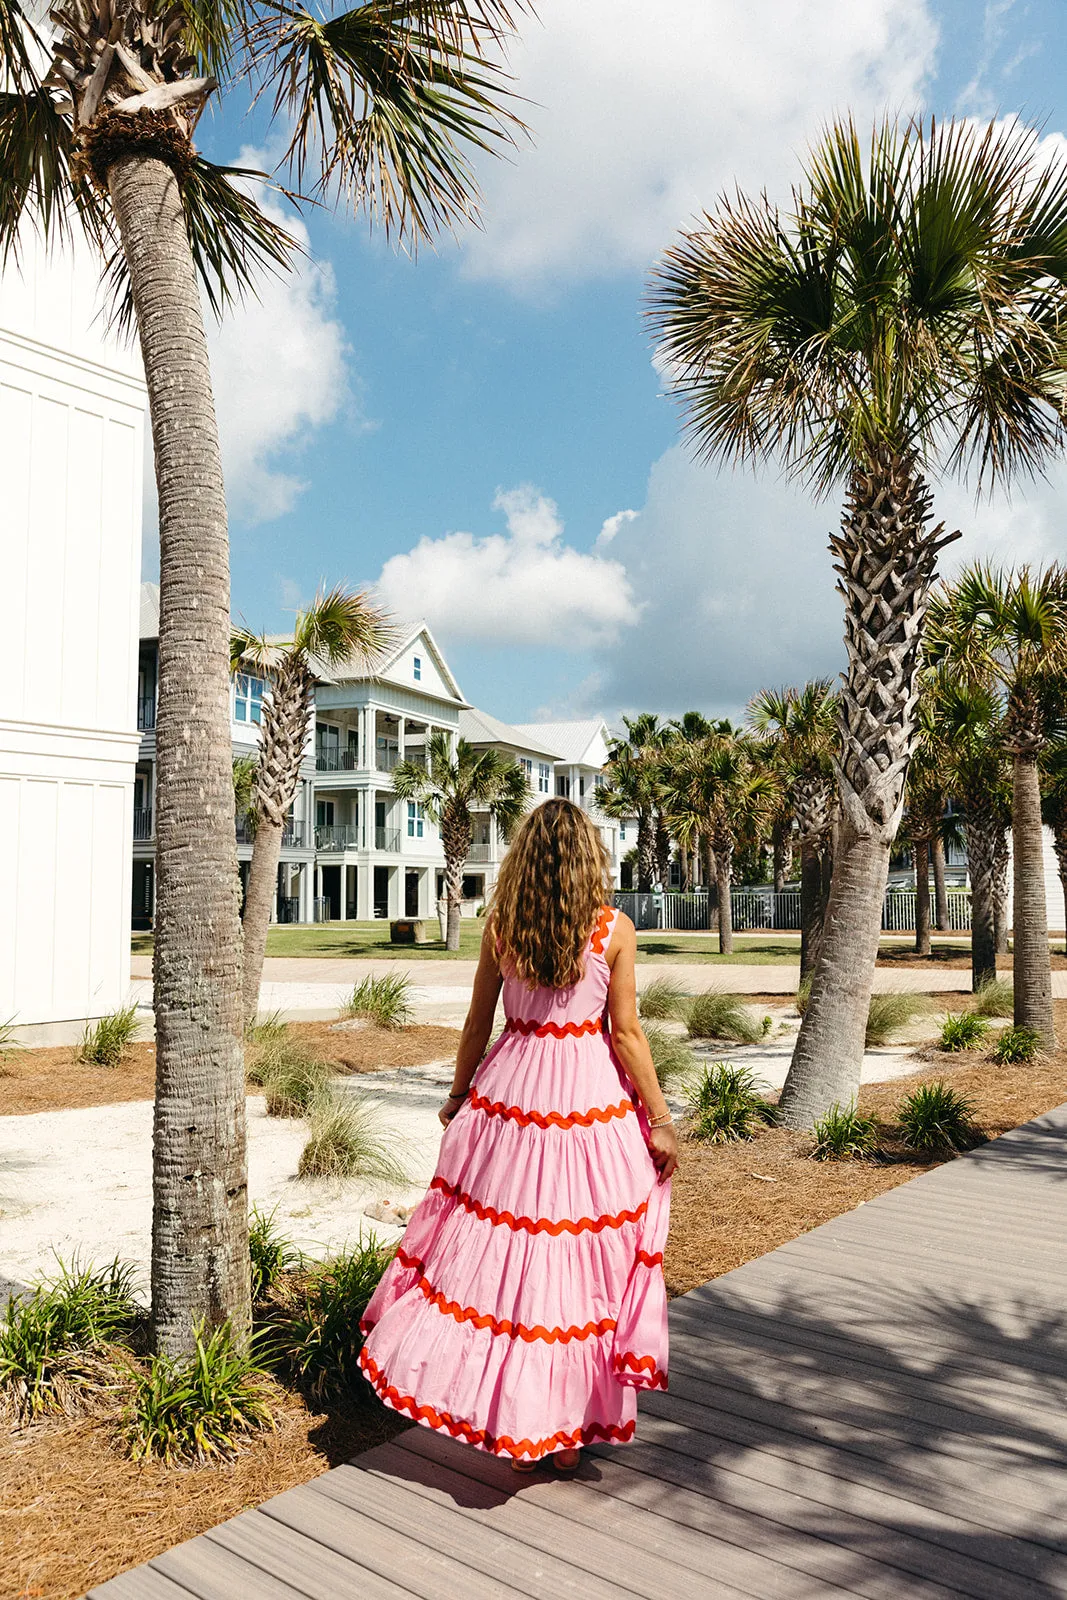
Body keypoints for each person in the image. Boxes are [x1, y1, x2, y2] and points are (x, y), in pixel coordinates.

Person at [359, 797, 678, 1473]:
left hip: (512, 1095)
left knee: (506, 1263)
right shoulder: (612, 930)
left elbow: (477, 1022)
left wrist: (456, 1095)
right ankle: (562, 1433)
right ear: (590, 857)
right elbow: (624, 1033)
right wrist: (659, 1118)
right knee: (577, 1263)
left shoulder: (501, 925)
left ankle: (520, 1434)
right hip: (588, 1103)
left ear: (522, 859)